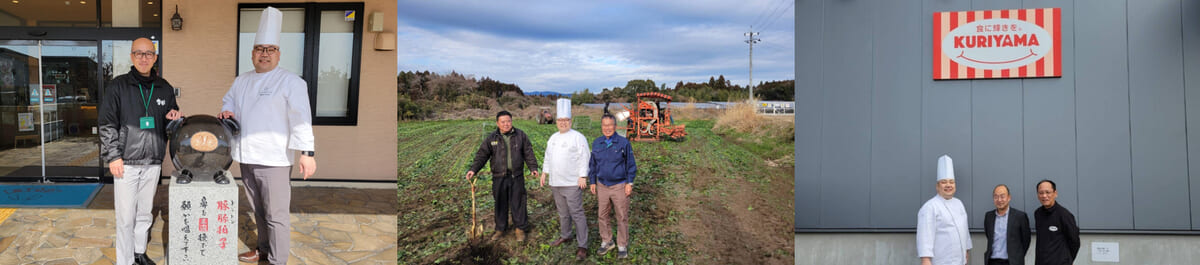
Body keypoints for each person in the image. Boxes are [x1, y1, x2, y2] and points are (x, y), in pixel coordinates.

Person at [220, 7, 317, 264]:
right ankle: (263, 250)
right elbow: (228, 101)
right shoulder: (242, 80)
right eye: (259, 49)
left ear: (278, 54)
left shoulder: (291, 82)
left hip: (274, 159)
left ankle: (277, 260)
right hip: (246, 157)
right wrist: (227, 111)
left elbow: (301, 118)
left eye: (270, 49)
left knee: (276, 216)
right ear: (252, 53)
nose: (264, 54)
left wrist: (307, 153)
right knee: (259, 210)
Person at [99, 37, 182, 265]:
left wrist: (174, 117)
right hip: (125, 161)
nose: (143, 58)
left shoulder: (164, 87)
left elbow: (170, 121)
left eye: (148, 54)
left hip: (153, 160)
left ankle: (138, 252)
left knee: (145, 212)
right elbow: (107, 123)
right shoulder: (118, 86)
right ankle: (125, 261)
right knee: (126, 217)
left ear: (155, 57)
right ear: (132, 56)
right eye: (139, 53)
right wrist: (113, 156)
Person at [467, 110, 540, 242]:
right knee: (500, 203)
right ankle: (500, 229)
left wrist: (533, 167)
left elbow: (528, 152)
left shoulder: (520, 135)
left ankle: (520, 228)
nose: (506, 124)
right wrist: (473, 169)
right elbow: (482, 155)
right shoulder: (492, 138)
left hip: (516, 176)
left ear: (512, 121)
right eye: (503, 122)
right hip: (499, 176)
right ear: (497, 123)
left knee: (518, 202)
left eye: (508, 121)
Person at [539, 98, 591, 260]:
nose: (563, 123)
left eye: (566, 120)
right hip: (556, 182)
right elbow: (548, 157)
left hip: (572, 183)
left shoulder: (578, 137)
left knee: (577, 213)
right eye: (560, 120)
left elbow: (585, 157)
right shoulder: (553, 138)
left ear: (570, 121)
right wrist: (544, 173)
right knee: (562, 212)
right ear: (556, 122)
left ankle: (582, 245)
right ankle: (566, 235)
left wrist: (583, 176)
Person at [589, 114, 637, 259]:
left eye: (610, 125)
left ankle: (622, 244)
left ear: (615, 126)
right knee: (602, 215)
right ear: (601, 126)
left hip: (619, 185)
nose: (607, 128)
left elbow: (630, 164)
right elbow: (592, 164)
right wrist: (592, 181)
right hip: (602, 185)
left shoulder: (623, 143)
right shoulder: (597, 143)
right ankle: (607, 241)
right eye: (604, 125)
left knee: (621, 216)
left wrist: (629, 183)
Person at [917, 155, 971, 265]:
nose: (948, 185)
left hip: (960, 261)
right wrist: (925, 260)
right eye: (944, 182)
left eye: (951, 182)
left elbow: (964, 230)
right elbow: (925, 237)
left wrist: (966, 249)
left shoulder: (959, 203)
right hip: (941, 261)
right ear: (937, 186)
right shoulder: (930, 207)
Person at [1033, 180, 1080, 265]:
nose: (1044, 196)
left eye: (1048, 192)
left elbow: (1075, 242)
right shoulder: (1038, 213)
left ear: (1055, 193)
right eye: (1041, 193)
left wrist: (1067, 260)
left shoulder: (1064, 215)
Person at [984, 184, 1031, 265]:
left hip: (1012, 261)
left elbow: (1026, 240)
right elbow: (989, 236)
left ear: (1009, 197)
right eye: (996, 197)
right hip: (992, 261)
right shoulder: (989, 216)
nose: (999, 200)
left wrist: (1017, 256)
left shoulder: (1020, 216)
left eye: (1002, 196)